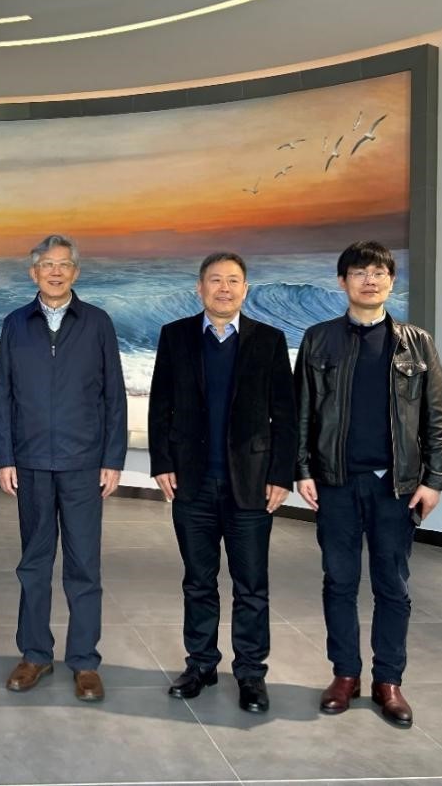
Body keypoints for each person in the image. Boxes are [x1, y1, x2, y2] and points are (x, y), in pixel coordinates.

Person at [295, 240, 442, 728]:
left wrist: (435, 479)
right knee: (339, 583)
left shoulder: (417, 343)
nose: (370, 280)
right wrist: (302, 469)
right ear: (342, 282)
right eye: (360, 272)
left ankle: (389, 681)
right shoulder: (318, 339)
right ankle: (345, 675)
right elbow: (302, 413)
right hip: (337, 482)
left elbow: (436, 417)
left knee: (393, 586)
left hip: (396, 487)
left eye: (379, 272)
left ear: (391, 281)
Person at [148, 252, 297, 713]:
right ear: (200, 287)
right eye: (215, 280)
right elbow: (160, 404)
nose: (224, 288)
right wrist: (161, 462)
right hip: (191, 483)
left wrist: (281, 474)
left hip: (250, 484)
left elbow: (286, 415)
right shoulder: (175, 336)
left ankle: (251, 673)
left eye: (233, 280)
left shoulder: (269, 340)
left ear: (245, 289)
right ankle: (201, 664)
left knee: (251, 584)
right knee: (198, 581)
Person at [0, 234, 127, 702]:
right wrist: (4, 457)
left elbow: (114, 396)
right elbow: (4, 395)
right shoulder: (15, 324)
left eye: (63, 264)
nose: (55, 272)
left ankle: (85, 661)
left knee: (83, 566)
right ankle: (35, 654)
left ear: (75, 272)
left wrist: (112, 459)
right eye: (47, 265)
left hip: (83, 464)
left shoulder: (97, 323)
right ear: (34, 273)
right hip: (30, 463)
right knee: (33, 564)